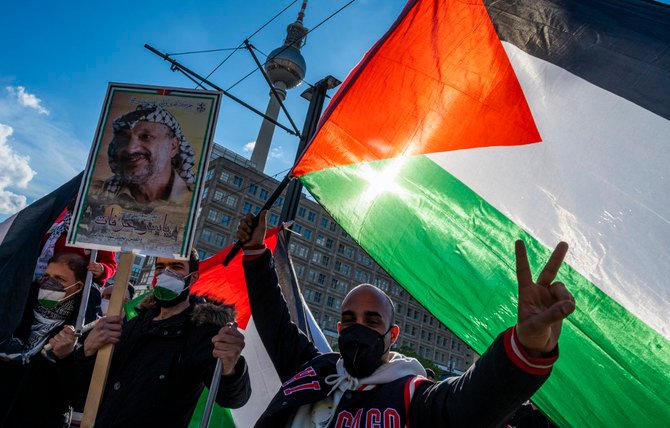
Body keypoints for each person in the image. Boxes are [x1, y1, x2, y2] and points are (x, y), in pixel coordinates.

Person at [237, 211, 576, 427]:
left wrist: (525, 347)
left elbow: (474, 401)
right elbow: (273, 319)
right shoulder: (315, 369)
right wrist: (254, 254)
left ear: (392, 334)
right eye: (350, 320)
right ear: (338, 329)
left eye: (372, 321)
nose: (359, 328)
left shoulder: (413, 395)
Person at [78, 250, 251, 427]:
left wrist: (231, 368)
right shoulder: (135, 324)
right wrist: (85, 352)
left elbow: (234, 398)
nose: (166, 273)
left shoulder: (203, 333)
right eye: (160, 267)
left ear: (192, 278)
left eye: (176, 267)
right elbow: (86, 390)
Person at [0, 252, 101, 427]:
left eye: (60, 279)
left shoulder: (84, 329)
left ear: (78, 287)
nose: (49, 283)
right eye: (46, 276)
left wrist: (66, 358)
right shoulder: (16, 312)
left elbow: (79, 396)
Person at [96, 104, 196, 205]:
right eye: (124, 138)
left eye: (145, 136)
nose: (130, 149)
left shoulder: (189, 201)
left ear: (173, 146)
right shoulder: (100, 191)